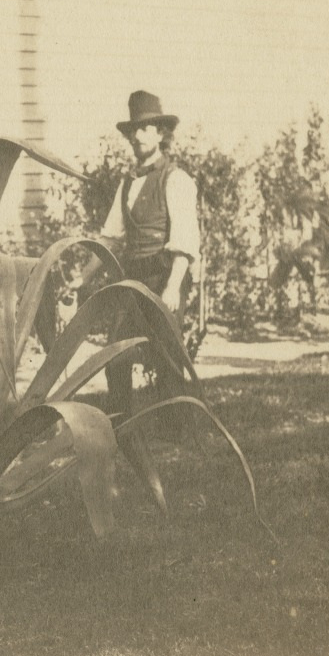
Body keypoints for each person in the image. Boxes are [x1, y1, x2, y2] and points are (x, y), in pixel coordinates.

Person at [83, 90, 201, 418]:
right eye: (133, 130)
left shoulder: (175, 179)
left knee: (167, 357)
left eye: (145, 129)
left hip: (164, 276)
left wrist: (172, 287)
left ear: (161, 134)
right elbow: (110, 239)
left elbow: (184, 240)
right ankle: (121, 427)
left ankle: (175, 430)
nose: (137, 136)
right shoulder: (127, 184)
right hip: (133, 279)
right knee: (115, 353)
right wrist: (82, 278)